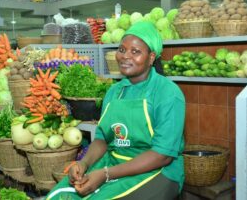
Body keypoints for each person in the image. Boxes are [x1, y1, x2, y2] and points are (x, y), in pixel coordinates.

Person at [47, 21, 186, 200]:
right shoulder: (114, 91)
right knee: (60, 196)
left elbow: (162, 155)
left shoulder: (168, 93)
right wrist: (84, 164)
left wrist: (106, 174)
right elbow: (102, 139)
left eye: (135, 52)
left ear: (151, 57)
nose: (125, 56)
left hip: (158, 170)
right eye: (122, 50)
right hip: (114, 162)